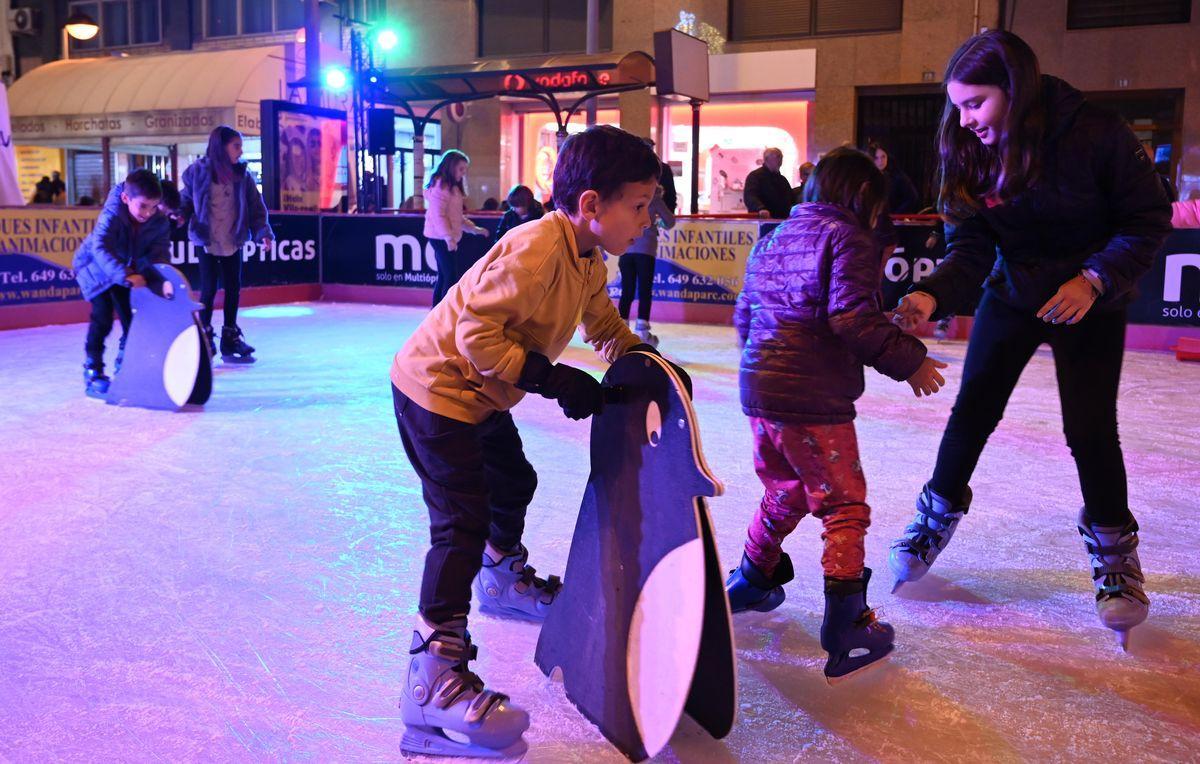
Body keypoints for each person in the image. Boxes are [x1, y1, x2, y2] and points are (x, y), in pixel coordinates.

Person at [389, 125, 687, 758]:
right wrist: (552, 379)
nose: (646, 220)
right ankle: (431, 675)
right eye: (638, 206)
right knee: (460, 523)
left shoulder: (586, 256)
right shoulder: (536, 249)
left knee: (514, 482)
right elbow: (475, 335)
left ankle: (499, 579)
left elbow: (602, 323)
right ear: (590, 206)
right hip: (437, 391)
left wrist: (642, 360)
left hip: (481, 394)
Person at [888, 31, 1172, 649]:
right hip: (1013, 290)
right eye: (957, 105)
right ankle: (932, 519)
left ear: (1014, 91)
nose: (965, 120)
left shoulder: (1094, 132)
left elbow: (1146, 217)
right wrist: (933, 293)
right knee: (973, 410)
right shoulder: (969, 147)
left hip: (1089, 298)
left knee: (1091, 427)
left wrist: (1094, 279)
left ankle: (1115, 557)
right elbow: (971, 244)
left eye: (977, 103)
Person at [725, 148, 946, 683]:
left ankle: (752, 578)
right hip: (813, 401)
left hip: (759, 391)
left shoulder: (774, 237)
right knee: (843, 503)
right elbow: (847, 318)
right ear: (865, 199)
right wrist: (910, 359)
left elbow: (745, 317)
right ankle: (846, 621)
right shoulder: (849, 237)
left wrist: (771, 371)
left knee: (786, 490)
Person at [71, 169, 172, 398]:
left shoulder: (158, 222)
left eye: (154, 206)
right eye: (143, 206)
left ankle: (126, 364)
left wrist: (162, 282)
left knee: (133, 318)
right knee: (103, 316)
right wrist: (125, 276)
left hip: (123, 271)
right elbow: (100, 248)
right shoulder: (112, 214)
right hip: (94, 269)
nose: (148, 212)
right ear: (126, 199)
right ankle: (93, 369)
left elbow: (159, 254)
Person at [180, 125, 274, 363]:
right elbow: (185, 201)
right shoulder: (198, 173)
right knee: (209, 288)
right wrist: (178, 214)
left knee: (233, 287)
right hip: (207, 240)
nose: (240, 152)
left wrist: (263, 232)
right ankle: (205, 335)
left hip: (232, 239)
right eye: (236, 146)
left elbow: (255, 206)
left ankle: (230, 337)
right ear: (221, 147)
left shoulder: (242, 176)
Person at [423, 149, 490, 306]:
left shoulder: (453, 188)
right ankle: (443, 313)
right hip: (440, 237)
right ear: (451, 167)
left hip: (446, 237)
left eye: (465, 169)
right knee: (450, 276)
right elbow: (438, 215)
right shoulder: (441, 186)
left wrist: (474, 229)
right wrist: (448, 237)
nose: (463, 173)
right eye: (461, 169)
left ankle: (437, 313)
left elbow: (455, 217)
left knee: (446, 276)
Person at [618, 183, 675, 346]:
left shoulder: (627, 194)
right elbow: (670, 221)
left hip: (626, 248)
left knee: (626, 290)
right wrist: (658, 224)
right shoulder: (654, 198)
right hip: (646, 249)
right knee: (644, 289)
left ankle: (621, 328)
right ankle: (642, 329)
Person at [868, 142, 921, 214]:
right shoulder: (867, 176)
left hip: (892, 218)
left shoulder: (897, 175)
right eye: (876, 158)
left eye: (883, 156)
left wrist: (897, 214)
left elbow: (912, 197)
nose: (880, 161)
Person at [743, 147, 794, 219]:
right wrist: (760, 208)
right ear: (767, 159)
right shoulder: (755, 176)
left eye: (781, 157)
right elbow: (750, 196)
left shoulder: (782, 179)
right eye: (778, 157)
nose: (780, 160)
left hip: (781, 221)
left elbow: (790, 198)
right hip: (763, 220)